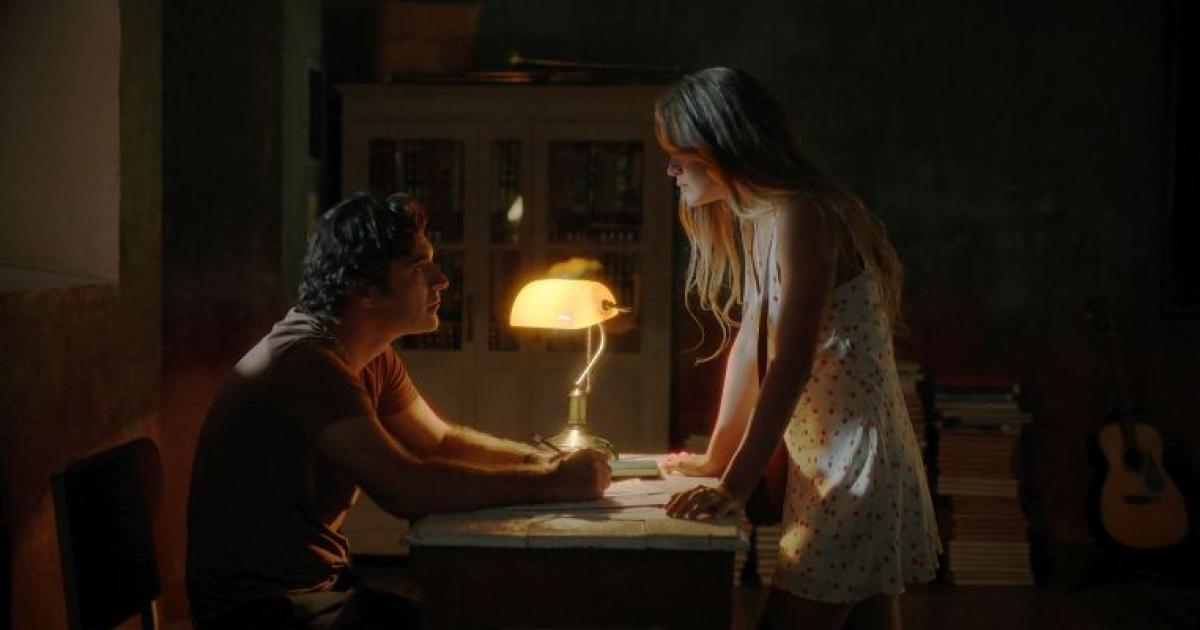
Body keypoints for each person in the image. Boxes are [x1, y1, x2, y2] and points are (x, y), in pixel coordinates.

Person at [186, 192, 611, 629]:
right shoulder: (307, 363)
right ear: (366, 289)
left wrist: (541, 461)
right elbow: (405, 487)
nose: (441, 280)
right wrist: (552, 483)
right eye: (418, 268)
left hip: (318, 592)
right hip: (262, 613)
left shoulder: (370, 357)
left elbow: (440, 441)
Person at [655, 67, 940, 629]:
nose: (670, 171)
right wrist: (716, 458)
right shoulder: (760, 217)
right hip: (828, 468)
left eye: (677, 156)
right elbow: (751, 345)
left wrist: (735, 485)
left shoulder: (802, 213)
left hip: (851, 470)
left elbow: (791, 362)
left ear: (719, 147)